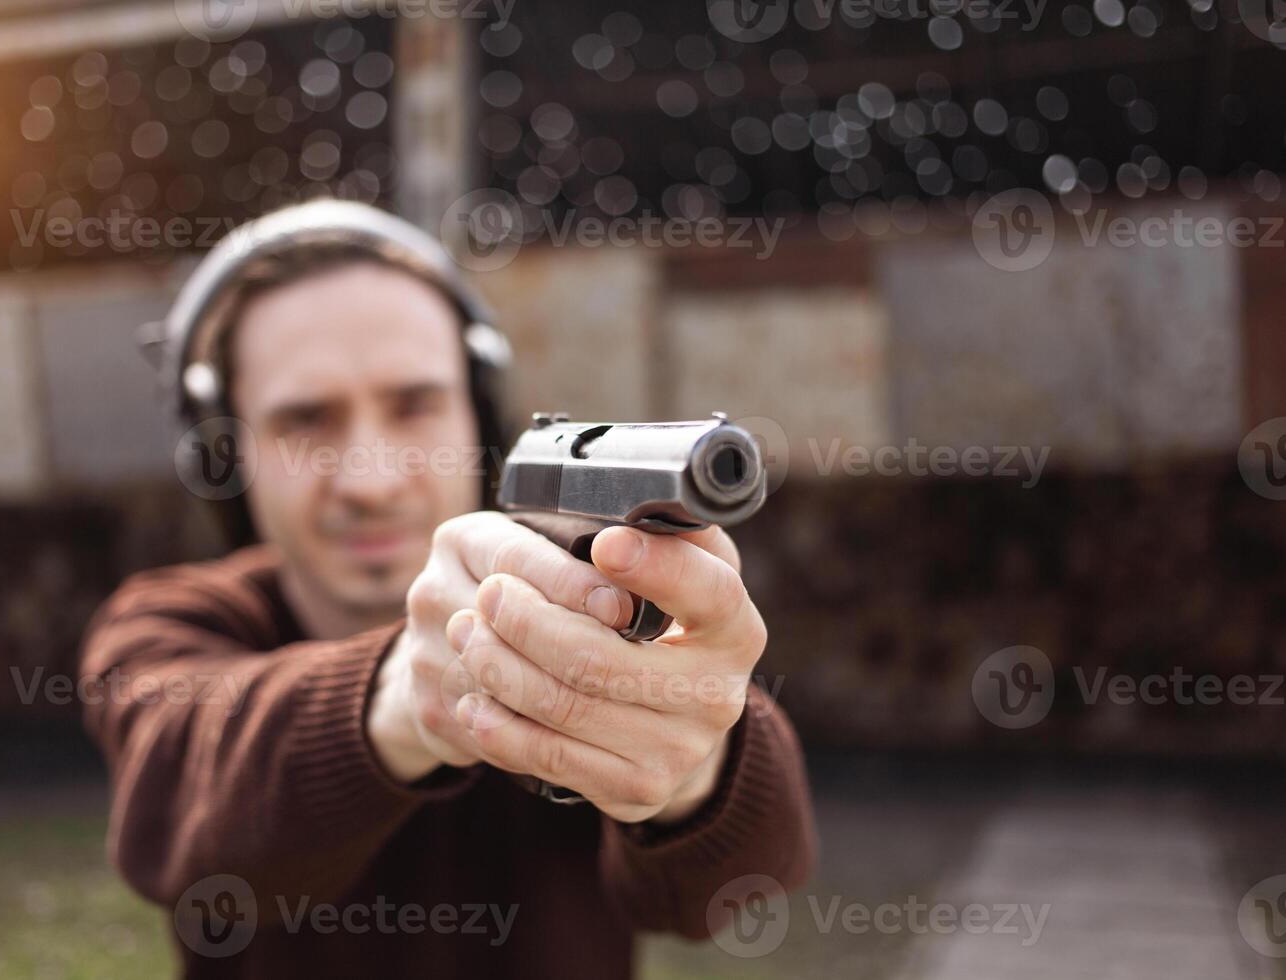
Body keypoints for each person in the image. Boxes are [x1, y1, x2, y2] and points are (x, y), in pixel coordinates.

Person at [79, 198, 816, 977]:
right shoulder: (163, 623)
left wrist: (693, 765)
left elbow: (723, 895)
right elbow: (185, 815)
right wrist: (404, 697)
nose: (372, 478)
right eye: (306, 421)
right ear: (225, 451)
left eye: (415, 405)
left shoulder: (576, 607)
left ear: (478, 417)